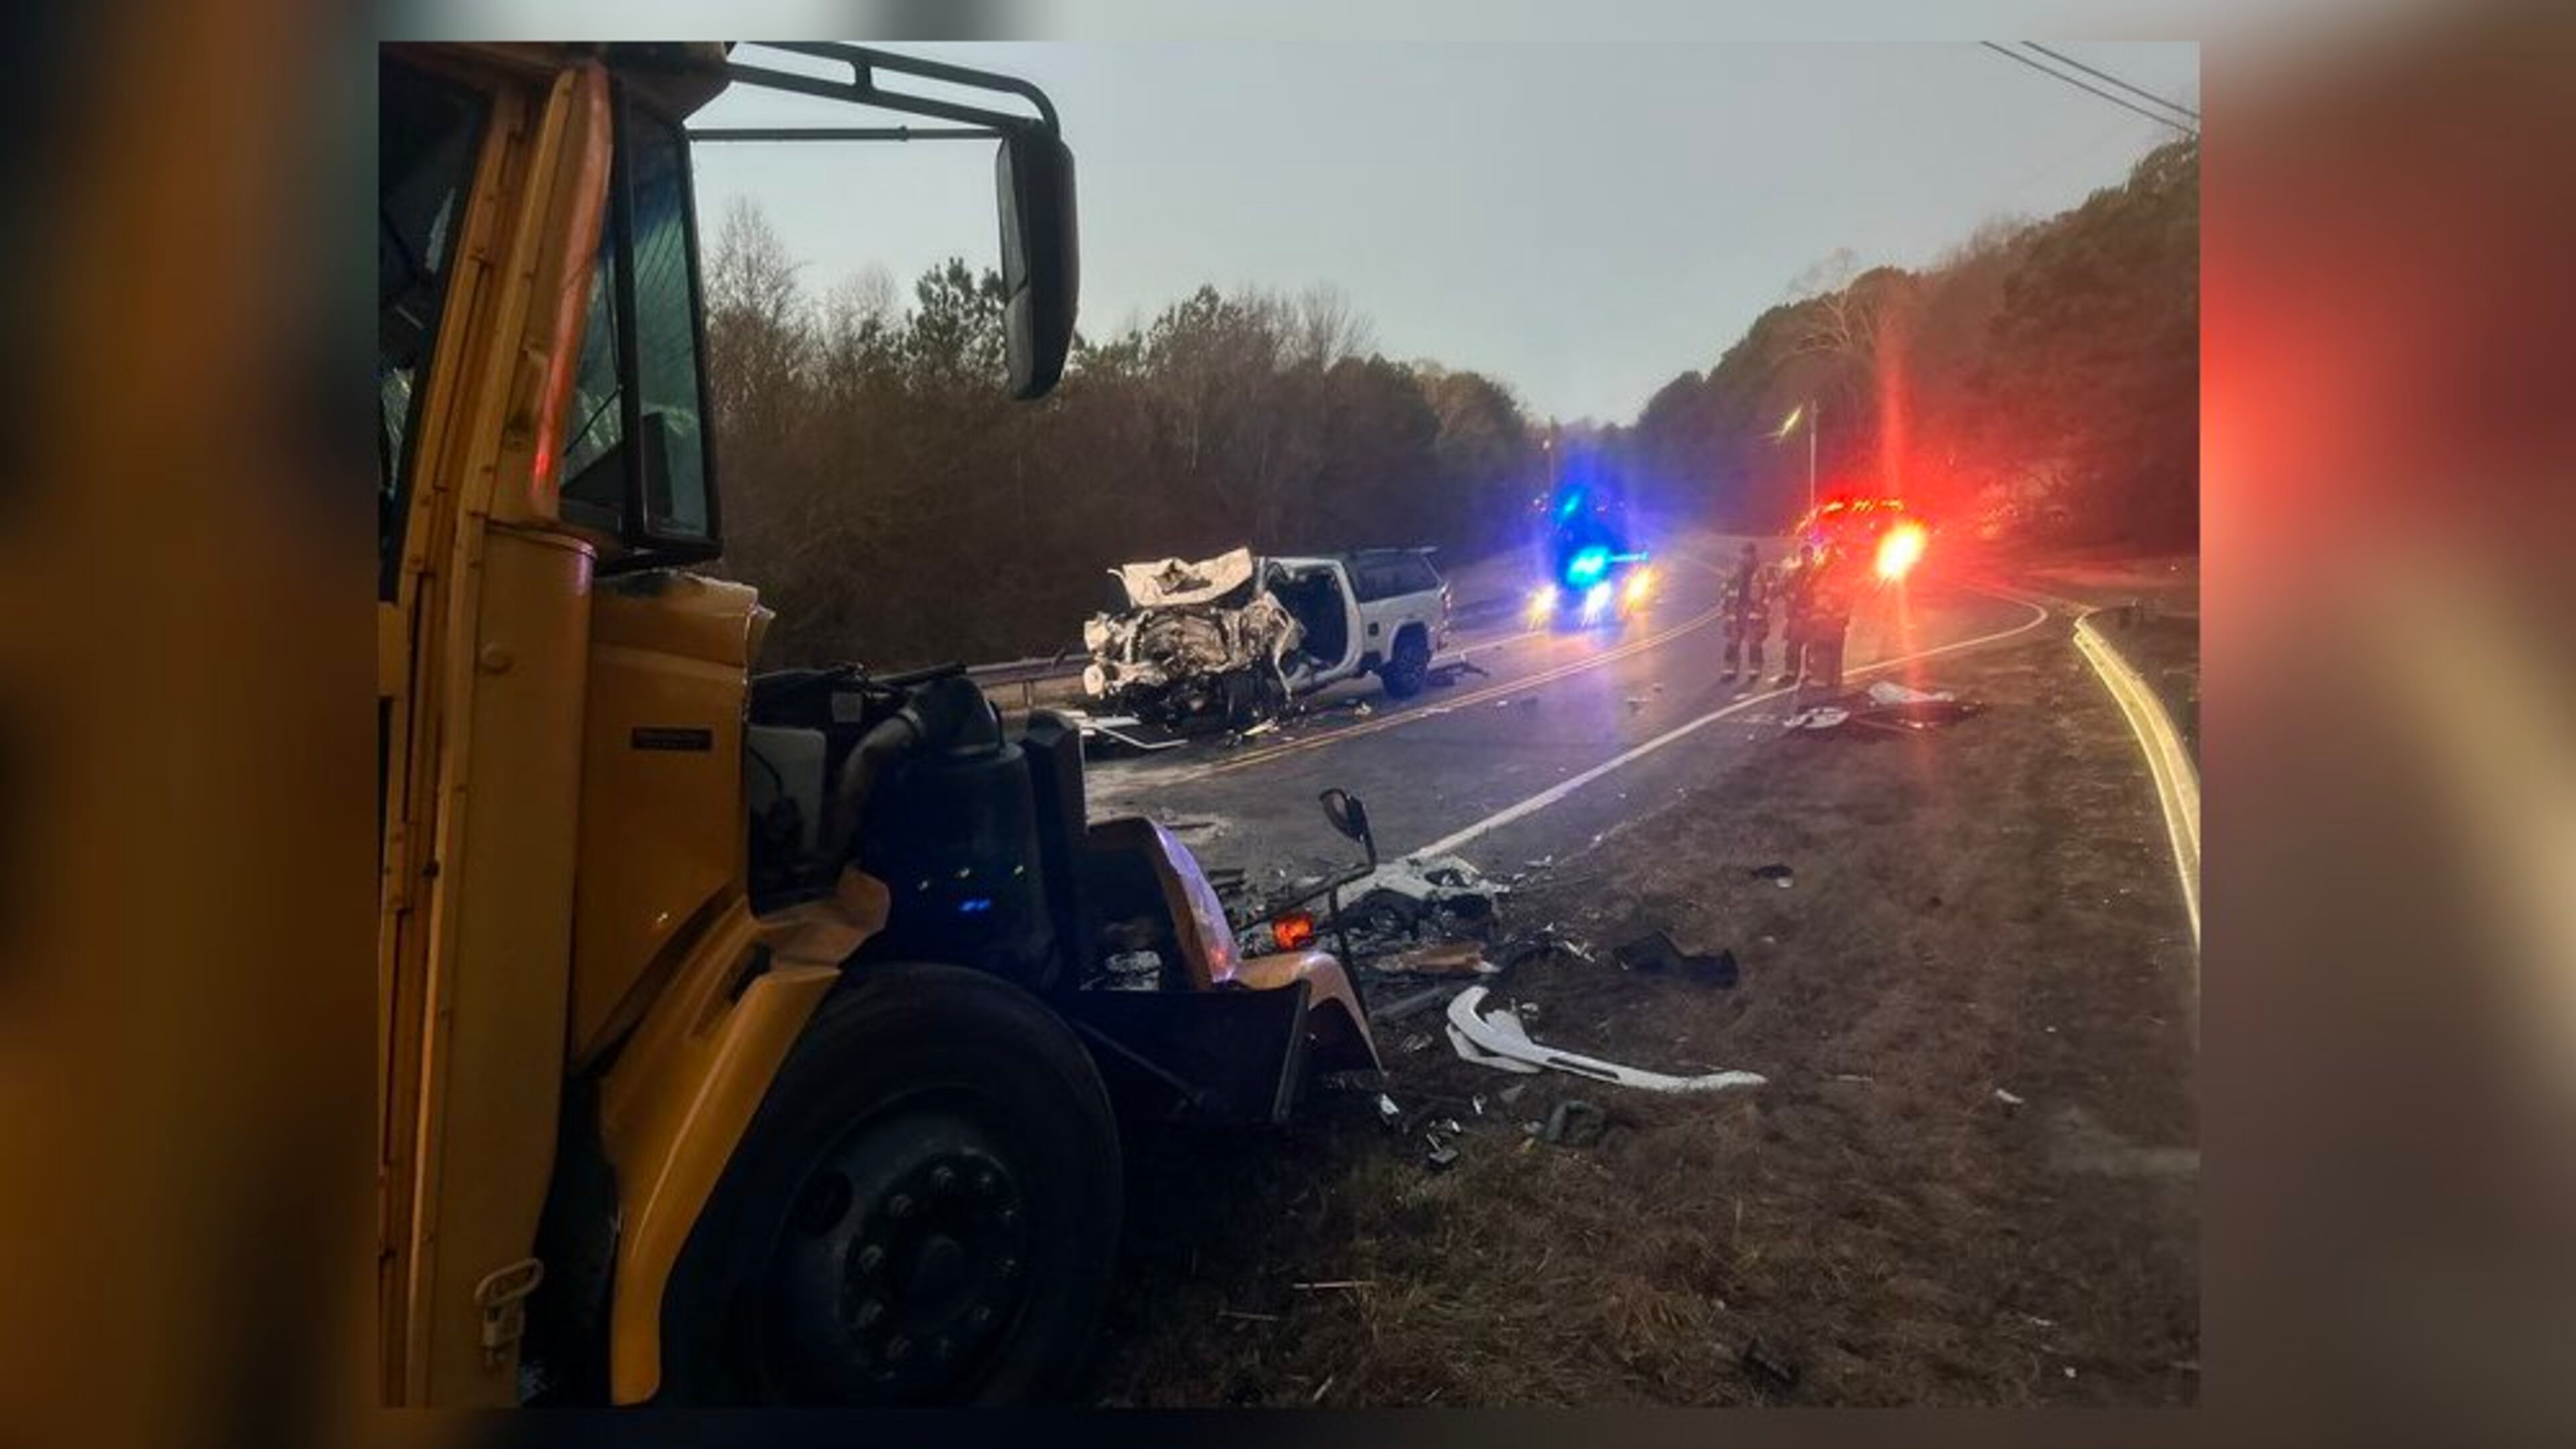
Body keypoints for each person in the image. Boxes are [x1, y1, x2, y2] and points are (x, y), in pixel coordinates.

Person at [1804, 541, 1857, 690]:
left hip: (1829, 620)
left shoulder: (1827, 576)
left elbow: (1820, 596)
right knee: (1834, 649)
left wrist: (1827, 612)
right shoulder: (1837, 575)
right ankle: (1834, 679)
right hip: (1832, 620)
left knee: (1824, 648)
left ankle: (1824, 679)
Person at [1719, 541, 1771, 682]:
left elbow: (1768, 593)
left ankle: (1754, 671)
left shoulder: (1761, 572)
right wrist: (1726, 609)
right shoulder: (1735, 571)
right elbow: (1726, 589)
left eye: (1749, 554)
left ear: (1754, 555)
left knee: (1754, 643)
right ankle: (1730, 671)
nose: (1746, 557)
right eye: (1744, 554)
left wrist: (1763, 611)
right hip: (1737, 611)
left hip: (1754, 612)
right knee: (1733, 642)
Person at [1774, 542, 1818, 686]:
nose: (1806, 558)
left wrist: (1812, 609)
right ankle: (1790, 674)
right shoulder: (1795, 573)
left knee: (1812, 647)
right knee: (1793, 646)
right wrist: (1787, 595)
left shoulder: (1819, 573)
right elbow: (1783, 589)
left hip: (1813, 615)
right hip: (1796, 616)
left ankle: (1810, 674)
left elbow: (1823, 593)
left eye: (1808, 555)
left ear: (1812, 556)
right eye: (1804, 555)